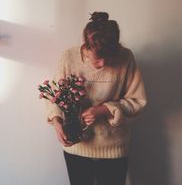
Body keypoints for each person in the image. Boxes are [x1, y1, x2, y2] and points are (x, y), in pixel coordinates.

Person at [46, 12, 147, 185]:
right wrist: (56, 122)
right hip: (77, 147)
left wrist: (105, 109)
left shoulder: (126, 57)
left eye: (108, 58)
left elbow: (138, 101)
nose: (102, 64)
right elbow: (55, 95)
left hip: (113, 148)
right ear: (86, 45)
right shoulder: (69, 58)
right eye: (97, 58)